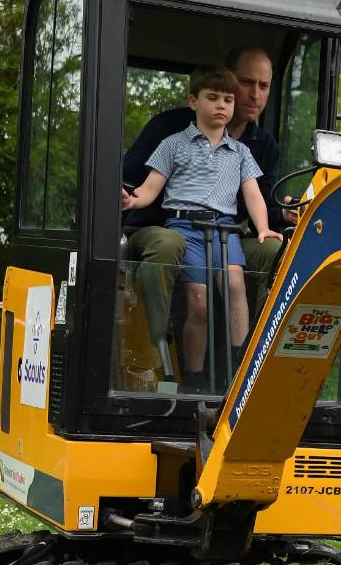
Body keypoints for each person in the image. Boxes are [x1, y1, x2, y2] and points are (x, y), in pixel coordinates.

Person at [122, 46, 288, 359]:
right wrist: (127, 197)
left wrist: (276, 217)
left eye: (263, 86)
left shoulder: (257, 147)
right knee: (170, 244)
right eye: (245, 83)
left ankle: (251, 363)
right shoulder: (170, 134)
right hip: (167, 227)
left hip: (226, 232)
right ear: (195, 100)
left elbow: (259, 196)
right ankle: (154, 351)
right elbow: (138, 183)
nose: (254, 94)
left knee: (272, 253)